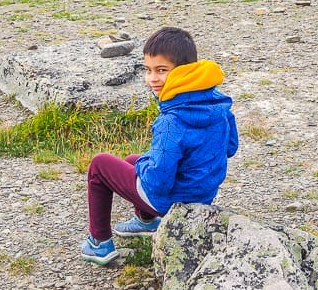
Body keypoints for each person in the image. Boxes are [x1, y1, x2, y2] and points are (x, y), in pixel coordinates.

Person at [81, 26, 239, 265]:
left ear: (184, 72)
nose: (152, 78)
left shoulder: (171, 121)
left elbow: (158, 181)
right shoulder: (218, 104)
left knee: (100, 164)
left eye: (162, 70)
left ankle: (99, 243)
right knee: (133, 160)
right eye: (148, 70)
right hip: (202, 195)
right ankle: (146, 222)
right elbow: (231, 147)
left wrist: (146, 163)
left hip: (170, 199)